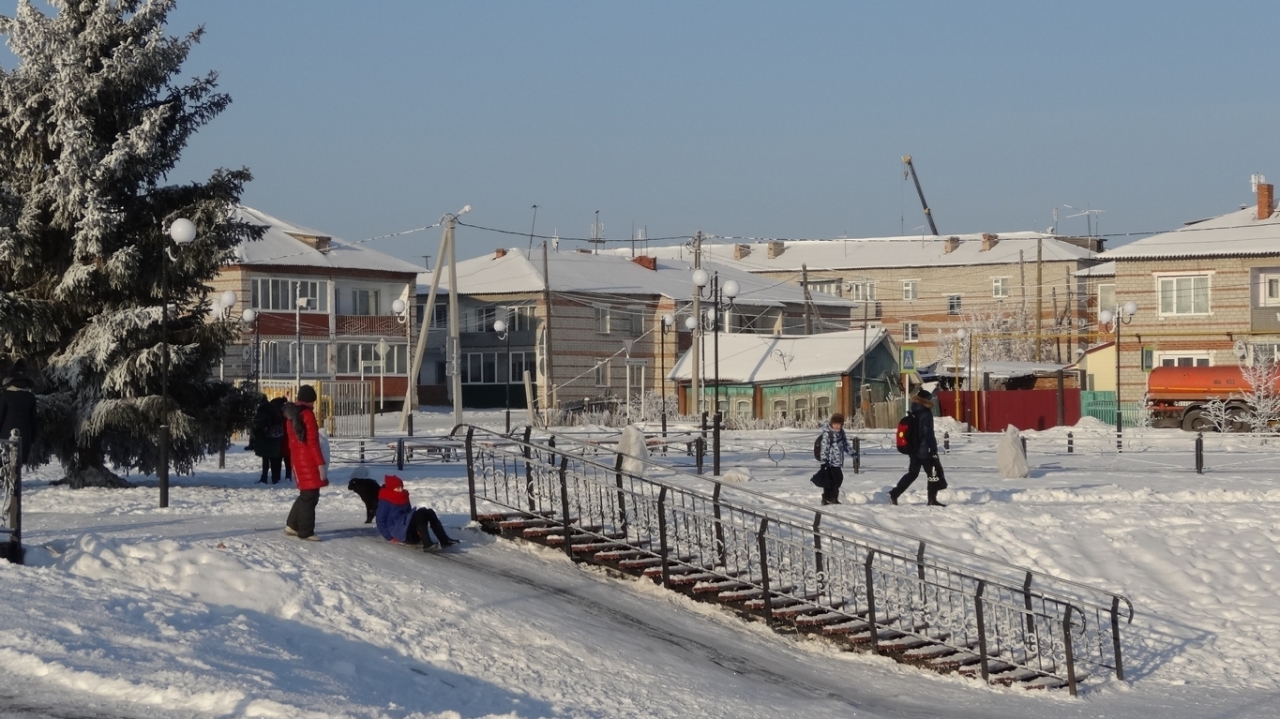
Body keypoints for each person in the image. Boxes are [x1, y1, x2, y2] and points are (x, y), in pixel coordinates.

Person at [283, 385, 328, 540]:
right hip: (308, 460)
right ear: (310, 400)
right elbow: (312, 442)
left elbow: (291, 442)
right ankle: (306, 531)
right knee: (310, 496)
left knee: (306, 494)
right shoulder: (307, 414)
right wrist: (320, 463)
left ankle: (292, 525)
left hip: (298, 458)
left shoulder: (292, 415)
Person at [889, 388, 948, 507]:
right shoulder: (926, 413)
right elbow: (927, 432)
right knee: (933, 475)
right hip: (925, 450)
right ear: (926, 400)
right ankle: (932, 500)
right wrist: (933, 447)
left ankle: (894, 493)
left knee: (912, 473)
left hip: (914, 450)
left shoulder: (914, 410)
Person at [375, 474, 459, 551]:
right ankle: (427, 544)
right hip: (400, 533)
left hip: (408, 530)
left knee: (427, 512)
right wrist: (389, 538)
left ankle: (444, 540)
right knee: (419, 514)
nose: (400, 489)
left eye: (401, 487)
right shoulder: (385, 501)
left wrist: (417, 527)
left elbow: (408, 514)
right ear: (391, 488)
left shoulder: (403, 496)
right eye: (397, 488)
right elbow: (380, 521)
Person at [0, 359, 39, 465]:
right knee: (17, 465)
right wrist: (32, 438)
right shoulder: (30, 397)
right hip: (24, 436)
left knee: (5, 466)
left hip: (5, 437)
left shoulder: (5, 396)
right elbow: (33, 420)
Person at [815, 412, 853, 505]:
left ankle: (829, 498)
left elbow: (845, 445)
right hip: (829, 462)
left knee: (836, 480)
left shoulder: (841, 433)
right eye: (835, 424)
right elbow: (824, 448)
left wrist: (853, 453)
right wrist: (824, 461)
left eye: (839, 424)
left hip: (837, 462)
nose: (837, 426)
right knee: (834, 480)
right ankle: (829, 498)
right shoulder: (827, 434)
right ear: (832, 424)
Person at [248, 395, 287, 484]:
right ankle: (275, 478)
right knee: (274, 460)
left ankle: (264, 478)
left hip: (263, 440)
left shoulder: (260, 412)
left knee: (265, 460)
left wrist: (252, 443)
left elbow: (255, 428)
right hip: (275, 439)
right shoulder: (275, 410)